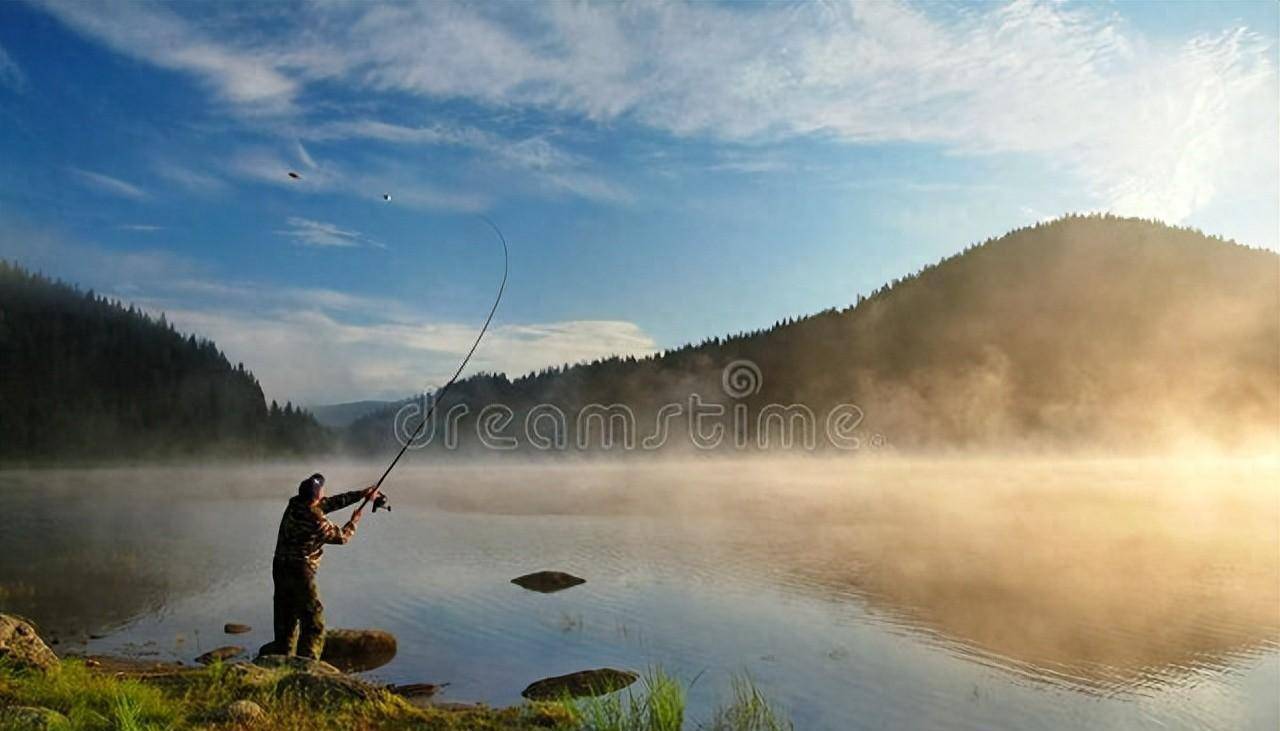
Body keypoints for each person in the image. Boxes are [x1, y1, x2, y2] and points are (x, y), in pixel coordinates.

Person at [269, 473, 378, 659]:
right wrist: (354, 521)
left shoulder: (294, 503)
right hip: (300, 570)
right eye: (322, 490)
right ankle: (309, 662)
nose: (324, 493)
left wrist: (361, 495)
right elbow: (342, 537)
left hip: (280, 566)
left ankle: (282, 654)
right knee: (313, 618)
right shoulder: (316, 521)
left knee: (286, 613)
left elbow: (328, 503)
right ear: (316, 496)